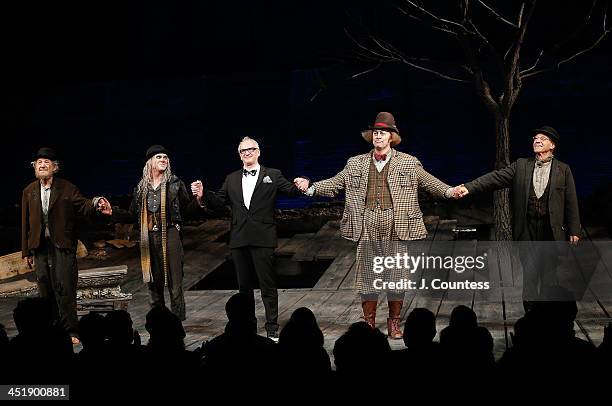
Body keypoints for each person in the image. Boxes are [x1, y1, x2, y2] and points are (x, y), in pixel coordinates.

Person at [295, 112, 460, 338]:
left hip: (396, 223)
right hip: (367, 222)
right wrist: (311, 188)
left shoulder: (408, 162)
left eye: (383, 132)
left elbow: (430, 182)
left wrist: (450, 191)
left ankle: (394, 323)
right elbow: (335, 183)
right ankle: (369, 322)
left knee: (397, 273)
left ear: (392, 137)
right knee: (367, 274)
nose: (378, 136)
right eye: (376, 132)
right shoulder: (355, 163)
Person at [455, 126, 581, 309]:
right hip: (527, 229)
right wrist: (469, 187)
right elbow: (495, 178)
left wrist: (574, 229)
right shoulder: (521, 165)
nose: (537, 140)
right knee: (529, 276)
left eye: (543, 139)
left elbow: (571, 200)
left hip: (551, 230)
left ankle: (549, 319)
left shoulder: (563, 169)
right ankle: (530, 319)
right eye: (535, 138)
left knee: (549, 277)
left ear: (552, 145)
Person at [199, 137, 305, 340]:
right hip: (239, 238)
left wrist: (302, 182)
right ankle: (247, 327)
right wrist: (204, 195)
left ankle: (272, 327)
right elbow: (219, 202)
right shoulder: (231, 178)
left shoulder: (272, 174)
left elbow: (291, 190)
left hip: (263, 237)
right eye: (242, 151)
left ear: (258, 152)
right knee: (244, 288)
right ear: (239, 155)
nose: (247, 153)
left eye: (250, 149)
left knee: (268, 285)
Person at [21, 147, 111, 343]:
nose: (42, 165)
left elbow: (83, 205)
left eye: (47, 162)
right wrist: (26, 251)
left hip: (62, 244)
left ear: (55, 167)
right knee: (44, 287)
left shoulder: (67, 188)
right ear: (34, 167)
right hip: (40, 247)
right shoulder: (29, 191)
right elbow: (25, 223)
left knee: (65, 287)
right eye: (39, 163)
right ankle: (50, 328)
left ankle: (70, 331)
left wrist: (96, 203)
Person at [109, 145, 204, 321]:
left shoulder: (175, 184)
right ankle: (157, 321)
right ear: (150, 162)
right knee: (153, 281)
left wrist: (198, 199)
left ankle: (177, 323)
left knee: (175, 282)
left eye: (165, 157)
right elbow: (132, 215)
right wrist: (111, 212)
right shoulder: (141, 188)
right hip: (148, 237)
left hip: (170, 233)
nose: (163, 160)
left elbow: (187, 212)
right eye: (159, 157)